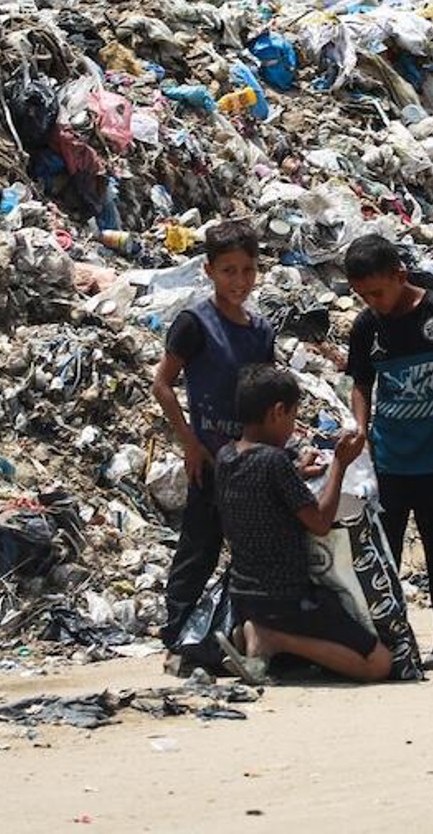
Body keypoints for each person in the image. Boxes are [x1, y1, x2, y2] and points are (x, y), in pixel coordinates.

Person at [343, 234, 433, 670]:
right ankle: (392, 636)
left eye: (378, 292)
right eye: (363, 295)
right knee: (384, 553)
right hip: (389, 460)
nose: (373, 302)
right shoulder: (367, 326)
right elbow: (361, 385)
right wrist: (361, 432)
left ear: (399, 276)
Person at [213, 365, 391, 684]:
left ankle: (255, 633)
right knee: (379, 664)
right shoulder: (274, 461)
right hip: (287, 599)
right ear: (277, 412)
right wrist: (339, 463)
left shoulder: (226, 457)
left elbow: (261, 490)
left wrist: (296, 471)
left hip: (243, 594)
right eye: (293, 416)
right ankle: (273, 640)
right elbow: (320, 522)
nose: (294, 426)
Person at [151, 220, 275, 652]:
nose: (239, 280)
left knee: (252, 552)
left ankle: (240, 633)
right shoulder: (195, 323)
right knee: (199, 548)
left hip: (250, 463)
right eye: (228, 271)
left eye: (246, 269)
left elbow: (268, 397)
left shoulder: (260, 331)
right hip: (209, 459)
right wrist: (191, 443)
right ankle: (176, 632)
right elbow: (163, 384)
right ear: (208, 271)